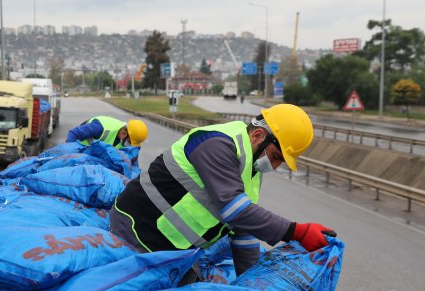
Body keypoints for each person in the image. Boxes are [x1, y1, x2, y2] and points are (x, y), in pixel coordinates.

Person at [109, 103, 336, 277]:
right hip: (136, 229)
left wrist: (252, 281)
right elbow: (234, 210)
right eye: (276, 157)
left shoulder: (250, 170)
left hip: (173, 249)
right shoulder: (217, 144)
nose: (275, 166)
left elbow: (243, 231)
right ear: (258, 135)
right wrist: (297, 232)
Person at [66, 116, 148, 148]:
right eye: (129, 142)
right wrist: (69, 154)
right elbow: (73, 133)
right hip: (81, 152)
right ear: (124, 133)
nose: (129, 145)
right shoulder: (100, 127)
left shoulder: (130, 142)